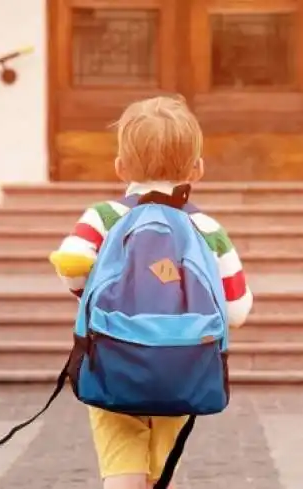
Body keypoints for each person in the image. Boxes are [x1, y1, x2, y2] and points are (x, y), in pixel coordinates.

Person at [51, 95, 253, 489]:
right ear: (197, 168)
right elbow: (236, 311)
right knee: (162, 475)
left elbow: (72, 267)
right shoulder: (207, 229)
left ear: (120, 166)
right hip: (181, 367)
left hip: (111, 358)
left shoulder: (104, 216)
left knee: (121, 469)